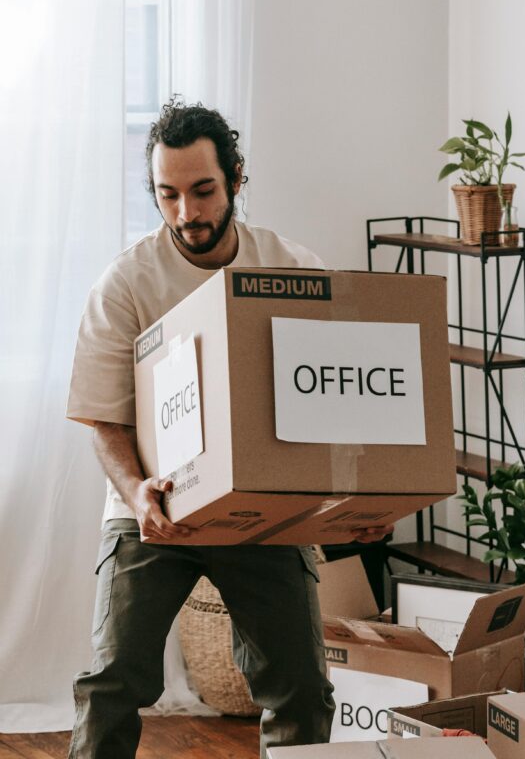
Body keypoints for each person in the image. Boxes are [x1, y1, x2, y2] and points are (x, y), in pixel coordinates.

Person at [66, 100, 389, 759]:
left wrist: (357, 506)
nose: (187, 213)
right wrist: (137, 495)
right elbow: (104, 417)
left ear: (237, 178)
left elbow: (336, 400)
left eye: (203, 190)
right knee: (112, 680)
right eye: (169, 194)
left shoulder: (292, 266)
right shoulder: (126, 283)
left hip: (263, 507)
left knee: (301, 685)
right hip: (153, 507)